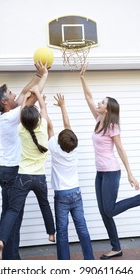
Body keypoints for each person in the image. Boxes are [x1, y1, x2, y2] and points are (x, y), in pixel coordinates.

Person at [79, 65, 140, 259]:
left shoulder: (113, 126)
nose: (99, 103)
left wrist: (130, 173)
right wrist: (82, 78)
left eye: (103, 102)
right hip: (100, 173)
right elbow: (88, 98)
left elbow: (120, 149)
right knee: (104, 212)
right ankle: (116, 247)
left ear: (108, 109)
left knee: (109, 209)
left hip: (111, 171)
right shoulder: (99, 119)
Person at [0, 62, 49, 259]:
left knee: (7, 214)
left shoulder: (5, 116)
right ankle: (12, 260)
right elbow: (30, 97)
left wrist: (37, 75)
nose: (15, 93)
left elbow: (24, 92)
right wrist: (45, 75)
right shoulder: (13, 116)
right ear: (5, 102)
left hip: (5, 171)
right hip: (14, 172)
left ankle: (5, 251)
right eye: (10, 93)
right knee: (14, 217)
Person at [47, 93, 94, 260]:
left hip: (61, 195)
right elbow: (67, 126)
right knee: (82, 228)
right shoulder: (75, 148)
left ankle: (64, 264)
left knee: (62, 231)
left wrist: (43, 106)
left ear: (59, 142)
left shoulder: (54, 148)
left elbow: (50, 127)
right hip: (76, 193)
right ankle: (89, 260)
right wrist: (63, 106)